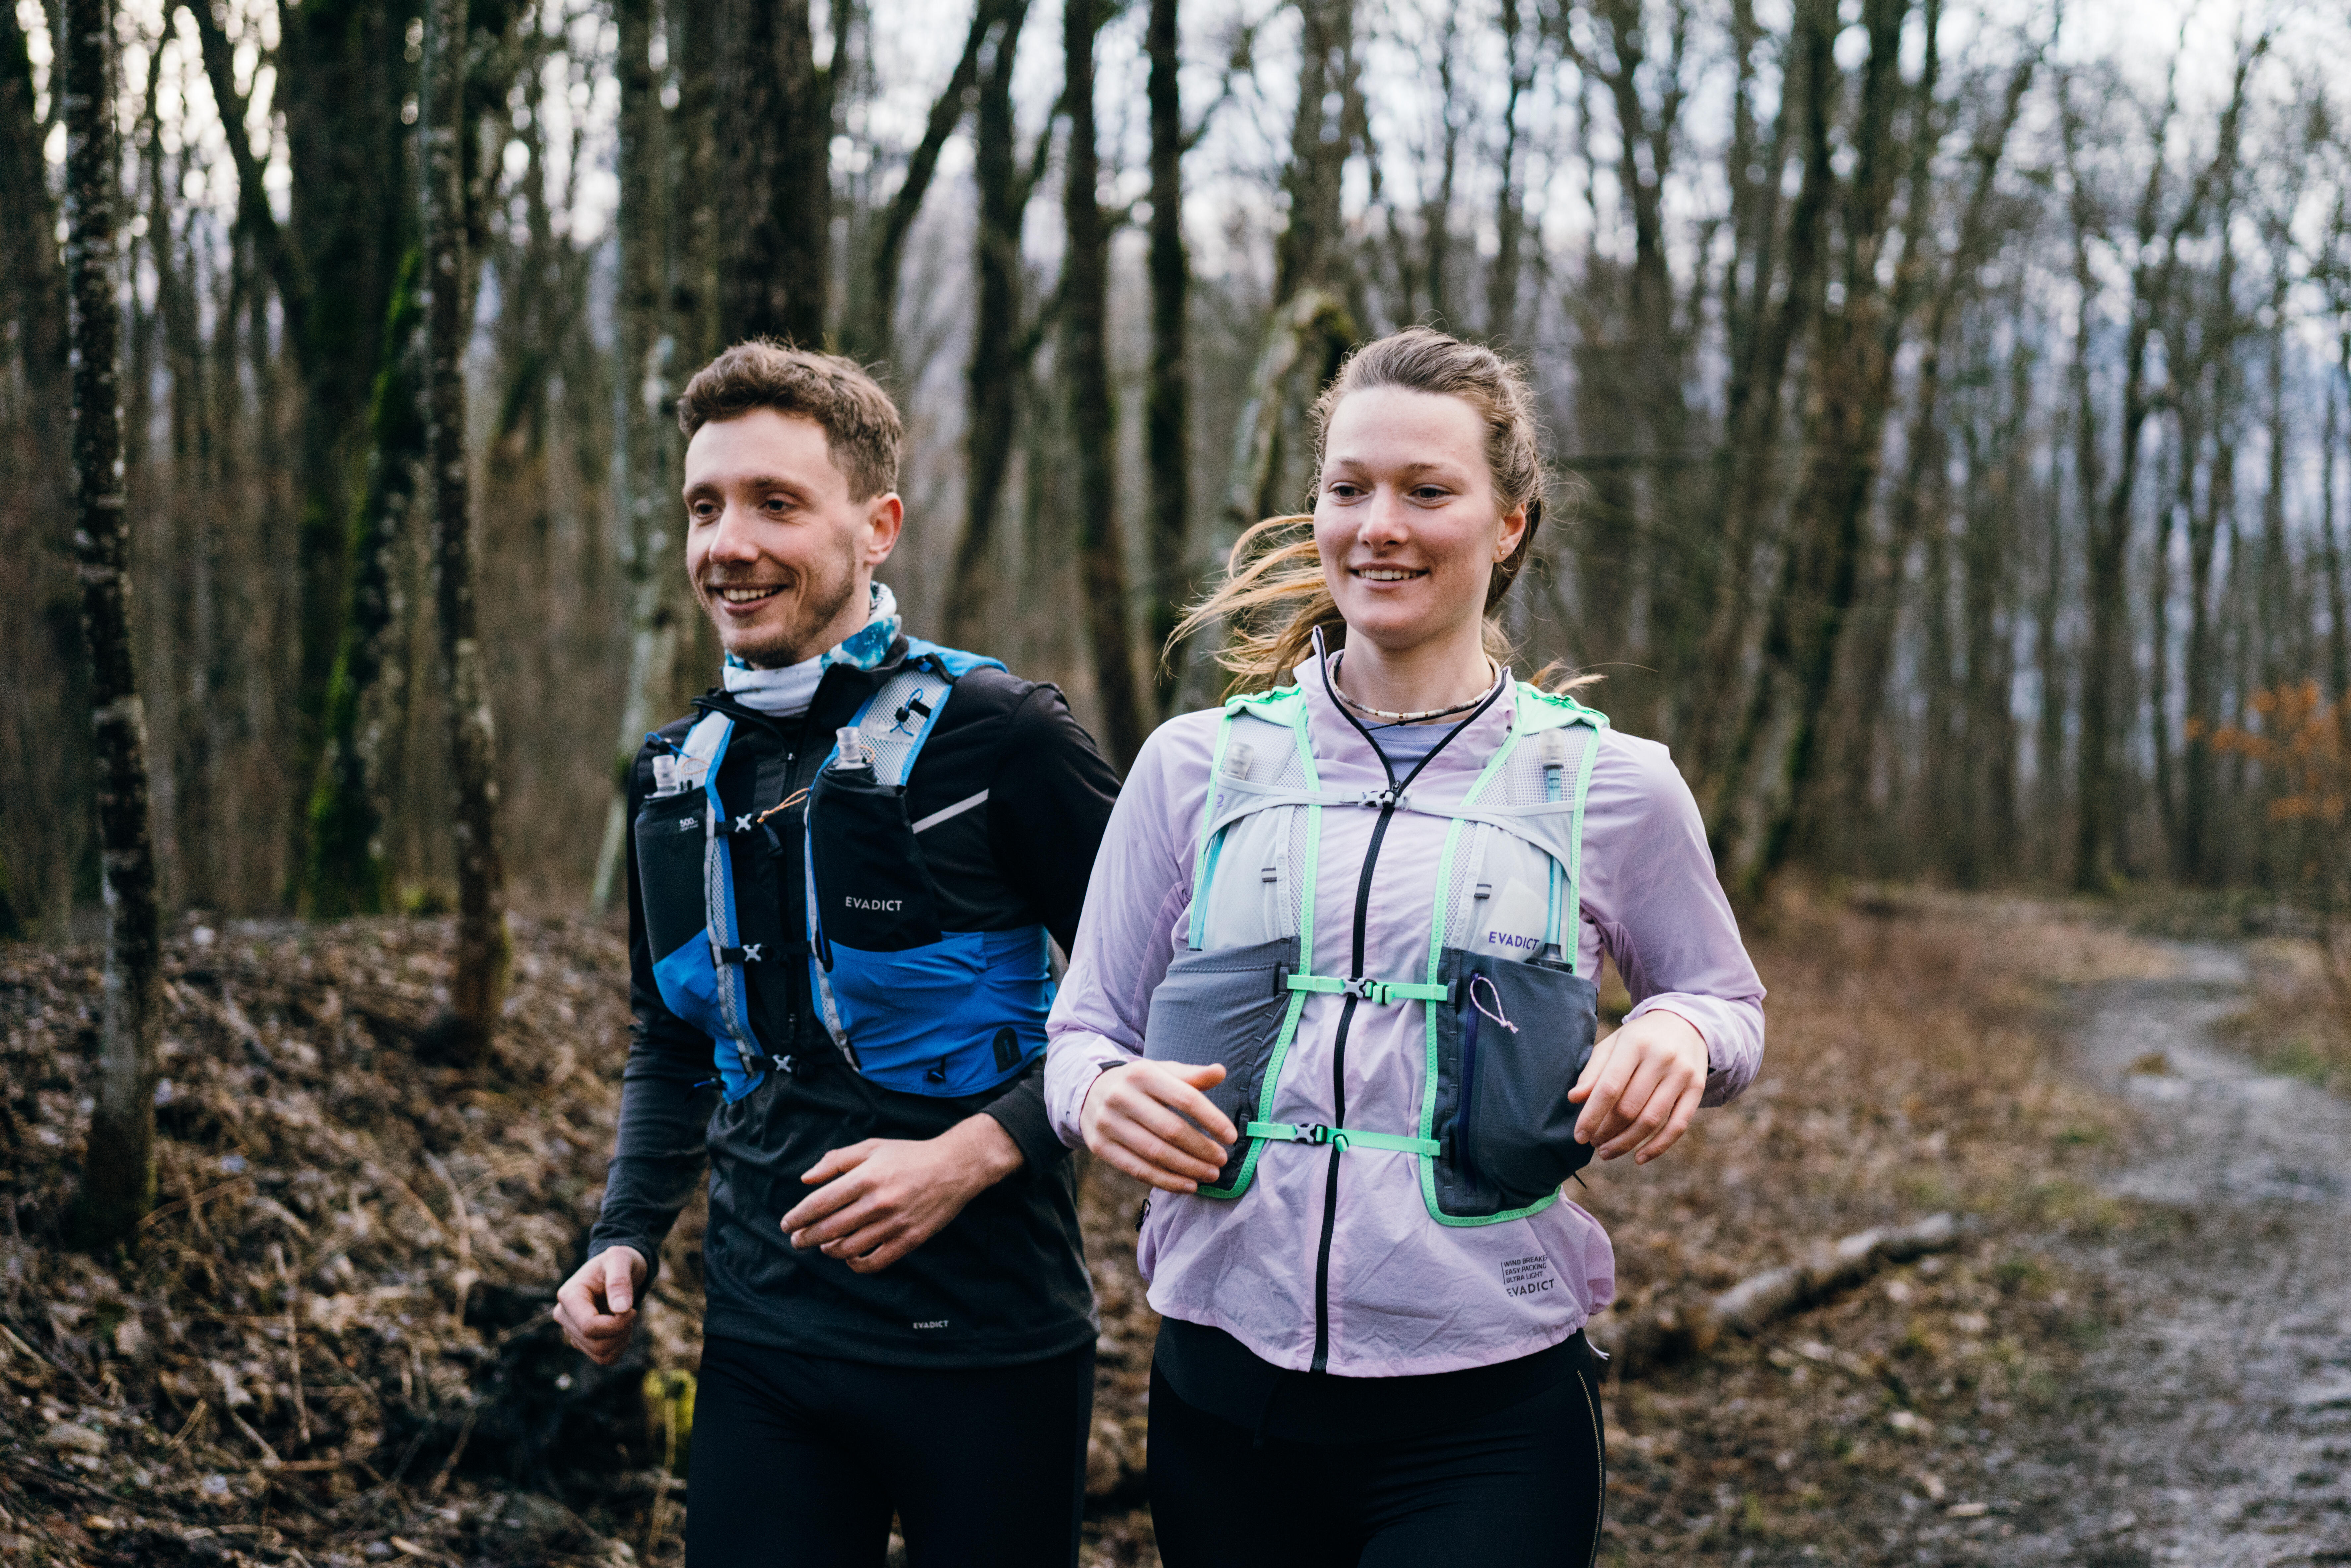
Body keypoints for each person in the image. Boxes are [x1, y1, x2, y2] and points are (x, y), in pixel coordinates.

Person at [1045, 327, 1766, 1567]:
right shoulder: (1191, 769)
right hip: (1225, 1393)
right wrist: (1102, 1095)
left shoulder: (1614, 785)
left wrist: (1675, 1032)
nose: (1380, 525)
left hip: (1488, 1413)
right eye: (1348, 489)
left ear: (1508, 525)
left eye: (1428, 492)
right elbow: (1079, 1033)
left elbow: (1725, 1003)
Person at [553, 342, 1122, 1566]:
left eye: (775, 504)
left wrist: (968, 1158)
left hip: (991, 1345)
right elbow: (673, 1040)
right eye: (706, 507)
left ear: (878, 527)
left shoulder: (1003, 738)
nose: (728, 545)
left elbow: (1164, 993)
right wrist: (624, 1236)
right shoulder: (673, 773)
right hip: (765, 1346)